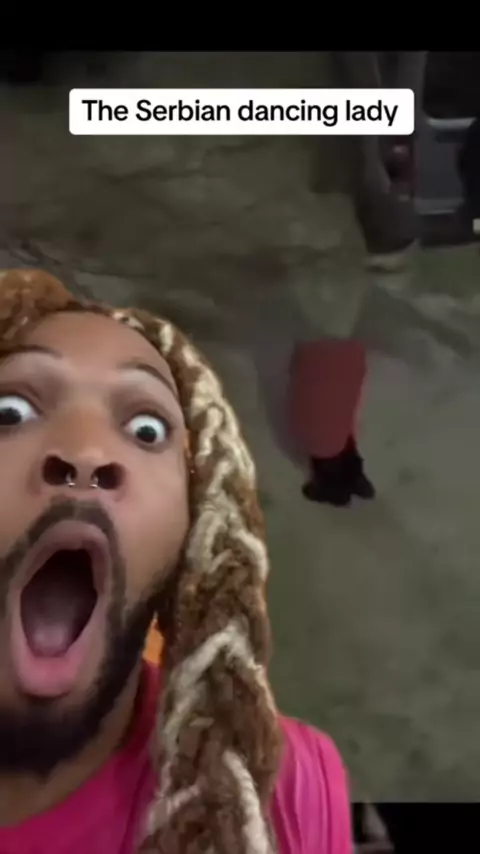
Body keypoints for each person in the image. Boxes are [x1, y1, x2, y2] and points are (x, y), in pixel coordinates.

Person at [0, 268, 353, 853]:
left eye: (146, 429)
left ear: (195, 528)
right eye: (10, 412)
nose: (86, 452)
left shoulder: (283, 793)